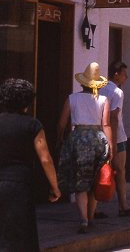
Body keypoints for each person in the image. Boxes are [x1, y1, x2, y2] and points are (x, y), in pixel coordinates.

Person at [0, 78, 61, 251]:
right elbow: (45, 158)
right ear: (27, 102)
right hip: (20, 185)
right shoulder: (32, 125)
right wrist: (54, 187)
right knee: (22, 236)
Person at [57, 63, 113, 234]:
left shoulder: (72, 98)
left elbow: (62, 123)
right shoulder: (104, 100)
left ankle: (83, 220)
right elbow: (106, 124)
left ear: (82, 83)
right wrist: (110, 146)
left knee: (81, 181)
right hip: (98, 140)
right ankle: (91, 216)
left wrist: (59, 140)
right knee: (95, 179)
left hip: (78, 139)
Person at [95, 61, 130, 218]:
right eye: (124, 74)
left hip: (97, 134)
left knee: (97, 171)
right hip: (117, 136)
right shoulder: (117, 92)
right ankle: (123, 206)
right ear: (116, 74)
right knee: (120, 171)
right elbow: (113, 117)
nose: (126, 77)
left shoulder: (99, 88)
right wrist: (112, 142)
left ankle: (92, 209)